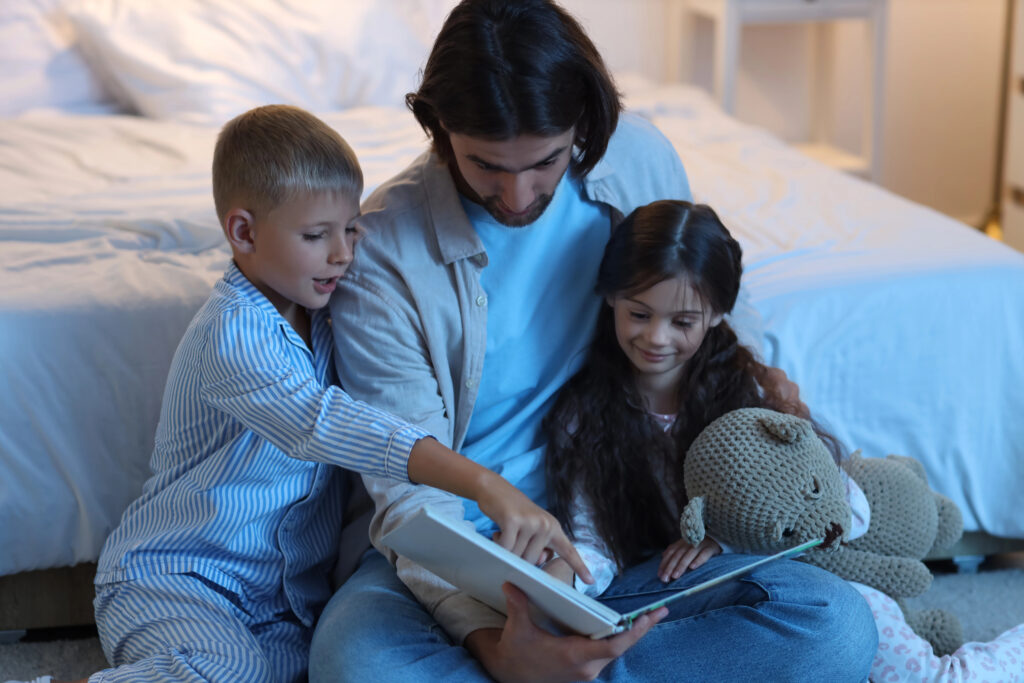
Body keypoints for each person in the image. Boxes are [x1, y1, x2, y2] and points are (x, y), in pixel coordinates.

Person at [310, 1, 877, 681]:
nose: (517, 195)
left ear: (582, 125)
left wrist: (765, 396)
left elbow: (713, 298)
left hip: (621, 535)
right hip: (451, 559)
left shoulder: (636, 158)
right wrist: (496, 641)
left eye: (544, 160)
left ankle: (572, 666)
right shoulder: (383, 253)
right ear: (438, 128)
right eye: (484, 165)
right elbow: (405, 484)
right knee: (354, 660)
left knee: (833, 623)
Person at [6, 104, 588, 683]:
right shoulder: (234, 335)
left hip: (283, 606)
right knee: (225, 672)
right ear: (243, 231)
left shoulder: (332, 314)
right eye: (316, 236)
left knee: (306, 669)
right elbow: (327, 423)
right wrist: (483, 484)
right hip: (180, 578)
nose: (343, 253)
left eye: (352, 229)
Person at [543, 198, 1024, 683]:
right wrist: (569, 581)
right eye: (639, 314)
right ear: (610, 299)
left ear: (715, 315)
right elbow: (593, 539)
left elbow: (843, 512)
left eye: (682, 321)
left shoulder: (747, 394)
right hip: (665, 588)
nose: (657, 337)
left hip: (778, 574)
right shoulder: (585, 413)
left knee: (886, 636)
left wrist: (728, 537)